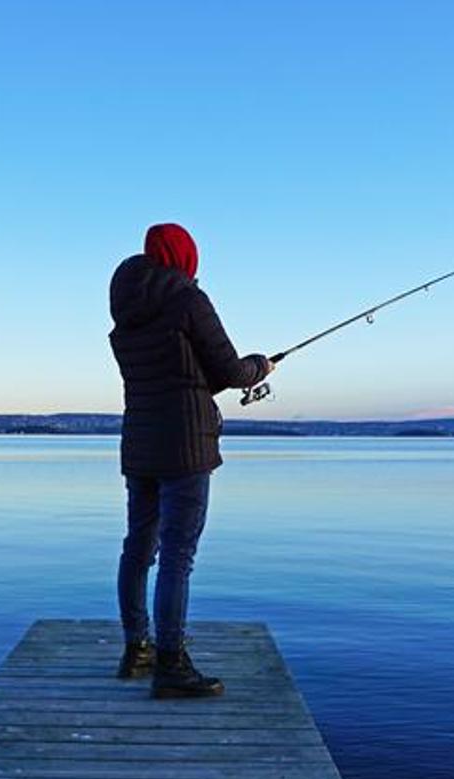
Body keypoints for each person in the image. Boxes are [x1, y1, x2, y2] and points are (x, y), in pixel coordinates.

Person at [107, 223, 274, 698]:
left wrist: (221, 377)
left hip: (141, 442)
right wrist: (260, 366)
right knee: (177, 556)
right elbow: (229, 370)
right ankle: (171, 666)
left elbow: (182, 374)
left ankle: (137, 649)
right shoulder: (188, 300)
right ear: (184, 258)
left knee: (139, 548)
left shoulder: (126, 309)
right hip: (185, 445)